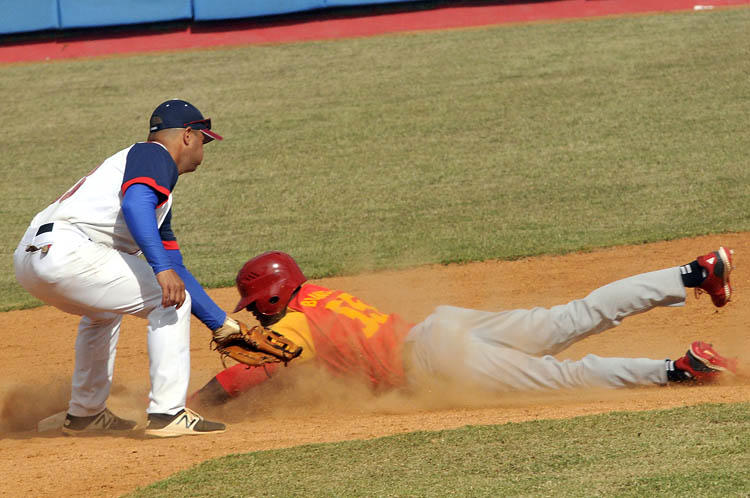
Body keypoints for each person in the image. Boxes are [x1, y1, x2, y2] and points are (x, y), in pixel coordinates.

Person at [189, 248, 738, 407]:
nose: (256, 313)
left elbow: (250, 377)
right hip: (443, 329)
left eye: (257, 303)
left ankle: (680, 370)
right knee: (576, 315)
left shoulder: (298, 326)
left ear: (273, 293)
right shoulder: (318, 294)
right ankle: (694, 271)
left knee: (566, 378)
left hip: (438, 359)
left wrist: (194, 404)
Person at [14, 99, 252, 437]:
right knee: (172, 299)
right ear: (187, 135)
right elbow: (135, 203)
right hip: (68, 251)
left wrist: (221, 324)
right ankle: (168, 414)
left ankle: (85, 415)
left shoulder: (154, 186)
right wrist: (159, 268)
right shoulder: (154, 155)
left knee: (104, 312)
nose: (203, 148)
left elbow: (174, 266)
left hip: (33, 259)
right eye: (203, 139)